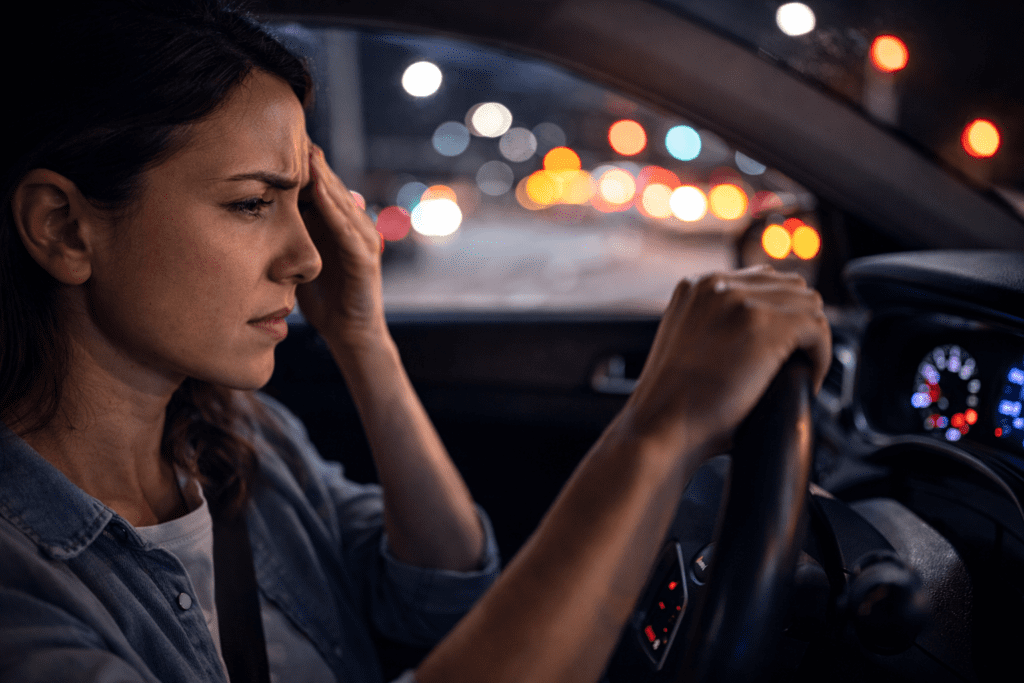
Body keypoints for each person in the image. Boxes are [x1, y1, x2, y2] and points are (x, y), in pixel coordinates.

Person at [0, 1, 831, 682]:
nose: (309, 254)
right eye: (254, 203)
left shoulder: (245, 443)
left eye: (304, 203)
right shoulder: (20, 588)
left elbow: (448, 598)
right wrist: (657, 433)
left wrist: (362, 338)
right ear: (65, 228)